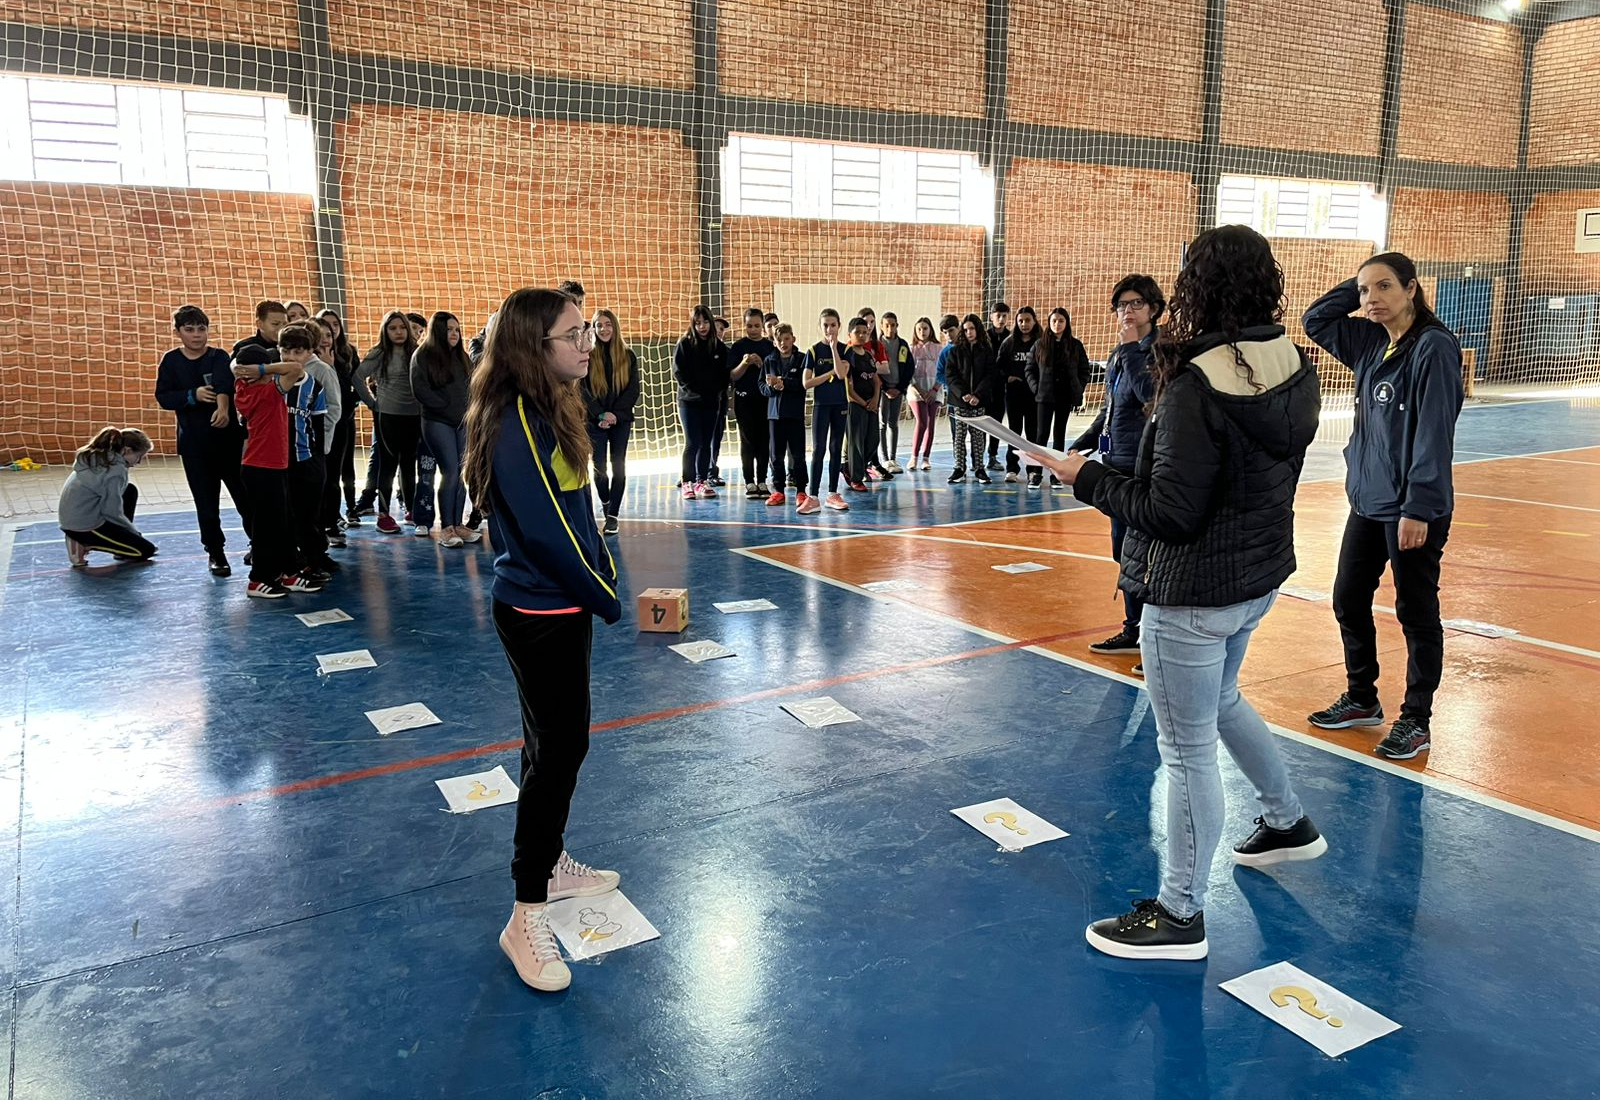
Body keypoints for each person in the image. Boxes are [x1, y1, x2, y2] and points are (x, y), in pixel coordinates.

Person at [1026, 225, 1326, 961]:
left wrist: (1084, 477)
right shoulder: (1294, 364)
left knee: (1186, 751)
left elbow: (1168, 513)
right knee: (1220, 704)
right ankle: (1287, 820)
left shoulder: (1198, 386)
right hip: (1258, 578)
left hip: (1194, 594)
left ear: (1197, 288)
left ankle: (1181, 912)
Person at [460, 286, 623, 994]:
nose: (587, 343)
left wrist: (603, 573)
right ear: (534, 347)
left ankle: (551, 860)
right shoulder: (516, 422)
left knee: (554, 743)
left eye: (587, 331)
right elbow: (551, 537)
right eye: (572, 334)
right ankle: (526, 910)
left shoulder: (553, 407)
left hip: (565, 609)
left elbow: (580, 511)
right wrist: (606, 593)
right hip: (539, 612)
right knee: (559, 749)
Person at [1302, 252, 1464, 761]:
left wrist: (1418, 506)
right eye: (1365, 290)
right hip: (1368, 501)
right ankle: (1361, 697)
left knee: (1415, 612)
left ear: (1412, 289)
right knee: (1348, 597)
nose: (1372, 300)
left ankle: (1416, 719)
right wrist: (1358, 290)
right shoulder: (1371, 343)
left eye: (1384, 288)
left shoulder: (1433, 349)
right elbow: (1315, 320)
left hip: (1411, 508)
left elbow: (1433, 434)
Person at [1072, 274, 1165, 660]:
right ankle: (1133, 629)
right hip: (1114, 462)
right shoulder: (1118, 353)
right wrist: (1083, 443)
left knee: (1144, 557)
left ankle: (1153, 639)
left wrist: (1130, 349)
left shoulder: (1159, 350)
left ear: (1154, 309)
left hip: (1141, 466)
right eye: (1121, 306)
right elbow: (1111, 410)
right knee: (1122, 553)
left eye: (1136, 304)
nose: (1127, 312)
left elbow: (1150, 398)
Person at [153, 304, 250, 576]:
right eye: (190, 329)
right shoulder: (171, 361)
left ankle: (259, 544)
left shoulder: (219, 357)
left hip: (228, 443)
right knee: (206, 503)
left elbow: (224, 386)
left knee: (245, 496)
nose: (197, 335)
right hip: (195, 445)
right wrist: (192, 395)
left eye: (201, 329)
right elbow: (164, 397)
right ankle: (216, 553)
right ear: (178, 332)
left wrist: (222, 408)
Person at [233, 345, 322, 598]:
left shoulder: (243, 388)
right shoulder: (266, 391)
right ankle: (257, 579)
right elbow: (295, 368)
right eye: (265, 369)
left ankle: (288, 571)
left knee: (282, 523)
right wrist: (262, 369)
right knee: (266, 528)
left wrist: (251, 370)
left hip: (270, 466)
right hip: (262, 467)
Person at [412, 311, 478, 548]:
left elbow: (472, 386)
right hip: (437, 422)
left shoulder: (461, 357)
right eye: (450, 329)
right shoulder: (423, 356)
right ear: (438, 330)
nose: (454, 334)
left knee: (461, 472)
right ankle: (446, 528)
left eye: (457, 330)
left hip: (461, 422)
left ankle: (458, 523)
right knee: (450, 470)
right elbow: (421, 390)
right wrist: (446, 407)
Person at [355, 311, 422, 534]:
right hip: (388, 417)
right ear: (385, 331)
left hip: (413, 416)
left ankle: (411, 509)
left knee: (408, 464)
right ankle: (383, 515)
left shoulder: (416, 352)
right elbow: (357, 377)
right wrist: (372, 403)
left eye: (402, 327)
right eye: (393, 328)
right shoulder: (379, 353)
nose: (398, 332)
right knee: (388, 465)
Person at [58, 427, 158, 565]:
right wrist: (134, 532)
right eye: (139, 456)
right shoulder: (115, 471)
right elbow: (112, 512)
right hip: (84, 525)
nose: (139, 462)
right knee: (145, 551)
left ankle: (117, 546)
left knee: (129, 490)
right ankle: (84, 543)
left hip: (75, 517)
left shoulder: (99, 457)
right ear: (126, 451)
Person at [284, 321, 337, 578]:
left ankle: (314, 560)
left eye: (298, 352)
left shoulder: (315, 383)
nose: (292, 357)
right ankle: (290, 562)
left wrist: (318, 454)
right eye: (287, 351)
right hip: (278, 462)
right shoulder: (271, 383)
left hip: (308, 458)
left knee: (310, 515)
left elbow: (321, 421)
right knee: (286, 514)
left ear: (309, 353)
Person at [582, 308, 641, 535]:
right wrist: (599, 414)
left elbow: (632, 389)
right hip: (595, 421)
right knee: (599, 468)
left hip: (620, 420)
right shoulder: (587, 355)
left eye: (608, 324)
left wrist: (615, 414)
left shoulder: (628, 356)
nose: (604, 329)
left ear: (614, 327)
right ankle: (606, 503)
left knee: (619, 466)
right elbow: (582, 389)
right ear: (594, 329)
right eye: (599, 325)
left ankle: (613, 515)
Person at [1026, 307, 1088, 490]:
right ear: (1049, 322)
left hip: (1065, 397)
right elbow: (1029, 369)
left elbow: (1084, 369)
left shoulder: (1075, 345)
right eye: (1054, 321)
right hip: (1044, 397)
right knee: (1041, 435)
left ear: (1066, 323)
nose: (1057, 324)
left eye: (1061, 321)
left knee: (1059, 434)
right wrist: (1036, 388)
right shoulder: (1040, 345)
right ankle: (1036, 473)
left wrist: (1079, 387)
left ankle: (1056, 474)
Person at [673, 305, 728, 500]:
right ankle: (687, 481)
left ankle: (701, 481)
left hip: (711, 403)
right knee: (692, 443)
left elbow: (724, 376)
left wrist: (714, 392)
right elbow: (679, 373)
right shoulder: (685, 344)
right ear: (693, 324)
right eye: (698, 323)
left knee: (706, 443)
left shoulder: (719, 348)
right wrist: (695, 392)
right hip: (688, 403)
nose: (702, 326)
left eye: (705, 322)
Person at [314, 308, 359, 542]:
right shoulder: (305, 361)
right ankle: (316, 525)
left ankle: (332, 522)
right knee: (316, 478)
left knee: (333, 476)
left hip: (339, 424)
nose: (325, 338)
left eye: (329, 334)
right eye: (319, 333)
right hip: (312, 428)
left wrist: (330, 367)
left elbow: (345, 393)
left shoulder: (341, 358)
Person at [803, 308, 851, 513]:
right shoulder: (813, 351)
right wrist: (828, 373)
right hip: (821, 405)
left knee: (835, 448)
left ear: (839, 325)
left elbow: (841, 374)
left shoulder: (846, 350)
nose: (829, 329)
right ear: (820, 326)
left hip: (840, 404)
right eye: (825, 325)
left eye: (833, 325)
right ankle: (812, 496)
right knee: (818, 449)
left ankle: (832, 493)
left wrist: (833, 350)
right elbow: (806, 383)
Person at [760, 323, 810, 509]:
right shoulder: (769, 361)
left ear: (793, 339)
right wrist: (772, 387)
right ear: (774, 342)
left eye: (786, 339)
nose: (783, 343)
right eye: (779, 340)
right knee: (776, 455)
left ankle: (801, 490)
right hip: (775, 416)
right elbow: (762, 387)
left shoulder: (802, 359)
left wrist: (784, 383)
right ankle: (778, 490)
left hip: (795, 414)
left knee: (798, 455)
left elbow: (803, 384)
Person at [728, 306, 775, 499]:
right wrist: (745, 363)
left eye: (757, 325)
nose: (753, 329)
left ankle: (762, 480)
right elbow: (732, 375)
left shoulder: (770, 347)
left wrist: (762, 365)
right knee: (747, 441)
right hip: (744, 400)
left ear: (763, 326)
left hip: (765, 400)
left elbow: (776, 374)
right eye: (749, 326)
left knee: (764, 440)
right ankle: (749, 481)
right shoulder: (738, 347)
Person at [945, 314, 994, 485]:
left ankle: (979, 468)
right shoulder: (955, 351)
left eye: (972, 329)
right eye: (965, 330)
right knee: (959, 436)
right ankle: (959, 468)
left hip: (978, 402)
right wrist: (963, 393)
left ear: (978, 329)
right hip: (960, 401)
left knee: (978, 435)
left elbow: (990, 375)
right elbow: (951, 376)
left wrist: (977, 395)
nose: (969, 332)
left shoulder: (986, 351)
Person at [995, 306, 1041, 482]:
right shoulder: (1009, 343)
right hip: (1014, 395)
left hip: (1034, 396)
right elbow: (998, 367)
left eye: (1027, 320)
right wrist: (1007, 377)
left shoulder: (1041, 342)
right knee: (1014, 433)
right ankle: (1012, 468)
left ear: (1034, 321)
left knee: (1032, 434)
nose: (1024, 324)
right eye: (1020, 321)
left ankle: (1032, 469)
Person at [406, 312, 438, 537]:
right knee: (417, 472)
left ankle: (452, 522)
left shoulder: (456, 359)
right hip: (413, 424)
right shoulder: (418, 357)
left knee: (448, 474)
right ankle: (419, 515)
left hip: (442, 426)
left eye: (419, 329)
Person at [841, 317, 882, 492]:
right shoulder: (847, 355)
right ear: (850, 334)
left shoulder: (869, 355)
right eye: (858, 332)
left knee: (873, 440)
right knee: (856, 442)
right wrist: (863, 403)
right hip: (856, 405)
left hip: (871, 404)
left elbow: (877, 382)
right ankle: (855, 477)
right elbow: (848, 390)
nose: (862, 335)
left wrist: (874, 400)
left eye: (865, 332)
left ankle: (852, 468)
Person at [878, 312, 914, 474]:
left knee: (894, 423)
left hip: (898, 391)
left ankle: (893, 457)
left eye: (893, 325)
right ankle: (884, 459)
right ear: (881, 326)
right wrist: (885, 388)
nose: (890, 328)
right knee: (882, 423)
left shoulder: (903, 345)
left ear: (897, 326)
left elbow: (909, 368)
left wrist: (899, 389)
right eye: (887, 325)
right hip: (882, 390)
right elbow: (874, 369)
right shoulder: (878, 345)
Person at [908, 317, 943, 472]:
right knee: (922, 421)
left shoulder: (938, 348)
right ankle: (914, 457)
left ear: (931, 330)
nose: (922, 332)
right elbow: (908, 372)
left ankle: (926, 458)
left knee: (931, 423)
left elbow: (943, 372)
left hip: (934, 391)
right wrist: (921, 391)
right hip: (916, 391)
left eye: (925, 328)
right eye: (919, 329)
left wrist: (934, 390)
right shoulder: (911, 349)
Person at [984, 301, 1012, 470]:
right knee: (981, 423)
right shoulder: (984, 337)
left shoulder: (1011, 338)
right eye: (998, 316)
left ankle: (992, 456)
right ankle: (976, 457)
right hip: (984, 388)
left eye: (1004, 316)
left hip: (1001, 387)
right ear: (991, 317)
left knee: (996, 424)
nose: (1001, 319)